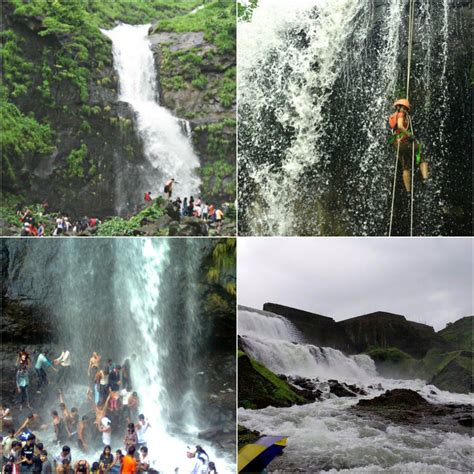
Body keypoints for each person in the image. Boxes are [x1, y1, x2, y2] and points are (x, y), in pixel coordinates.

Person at [388, 98, 428, 193]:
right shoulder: (401, 114)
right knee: (421, 157)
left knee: (405, 166)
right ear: (399, 107)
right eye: (404, 107)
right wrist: (410, 135)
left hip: (397, 144)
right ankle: (426, 179)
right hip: (405, 141)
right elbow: (401, 126)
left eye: (405, 108)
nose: (404, 109)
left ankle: (408, 191)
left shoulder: (392, 116)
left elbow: (395, 129)